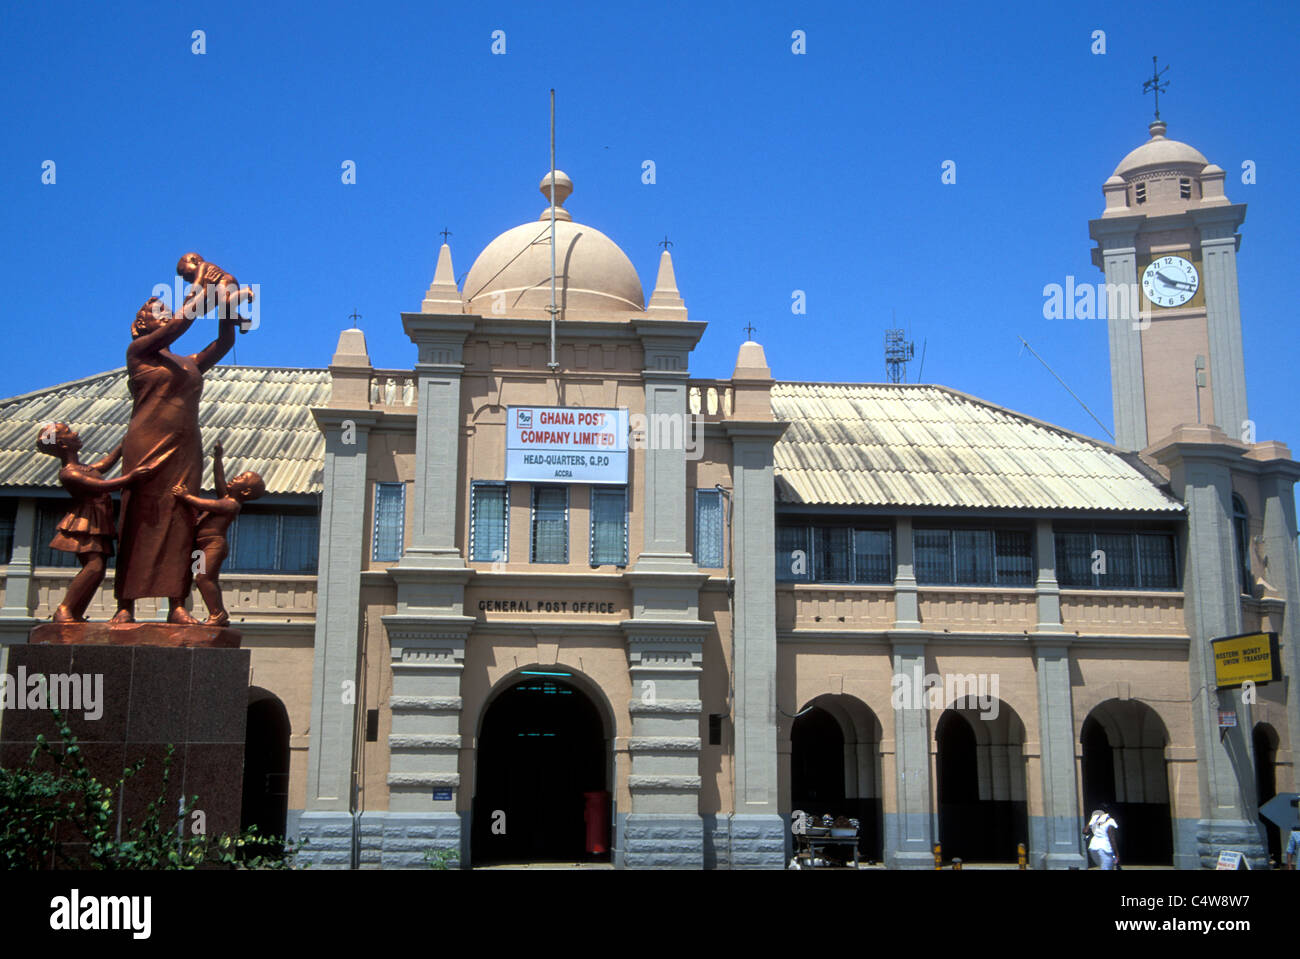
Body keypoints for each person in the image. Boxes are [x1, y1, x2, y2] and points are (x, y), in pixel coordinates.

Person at [112, 279, 239, 625]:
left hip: (185, 447)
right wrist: (202, 293)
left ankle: (177, 604)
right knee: (138, 519)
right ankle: (125, 604)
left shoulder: (189, 363)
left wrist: (227, 310)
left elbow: (224, 343)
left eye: (168, 311)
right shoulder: (138, 353)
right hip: (146, 444)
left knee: (180, 520)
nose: (167, 316)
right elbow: (179, 326)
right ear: (141, 326)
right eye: (158, 313)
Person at [34, 423, 158, 622]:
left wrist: (122, 445)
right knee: (94, 567)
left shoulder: (83, 468)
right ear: (63, 444)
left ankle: (75, 612)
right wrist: (131, 477)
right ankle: (64, 609)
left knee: (96, 570)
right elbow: (101, 486)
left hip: (97, 519)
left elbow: (104, 465)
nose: (75, 433)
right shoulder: (70, 473)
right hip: (86, 521)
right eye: (68, 432)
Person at [170, 441, 265, 626]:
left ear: (245, 491)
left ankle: (218, 613)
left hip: (213, 545)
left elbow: (207, 504)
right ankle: (213, 612)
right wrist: (218, 459)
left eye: (241, 478)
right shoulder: (227, 497)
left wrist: (186, 496)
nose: (235, 477)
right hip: (200, 546)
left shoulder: (231, 505)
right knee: (199, 577)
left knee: (204, 578)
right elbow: (219, 479)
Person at [1086, 805, 1120, 870]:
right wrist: (1117, 854)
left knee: (1103, 867)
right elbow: (1112, 839)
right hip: (1105, 848)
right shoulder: (1110, 821)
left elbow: (1085, 831)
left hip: (1093, 847)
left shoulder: (1095, 818)